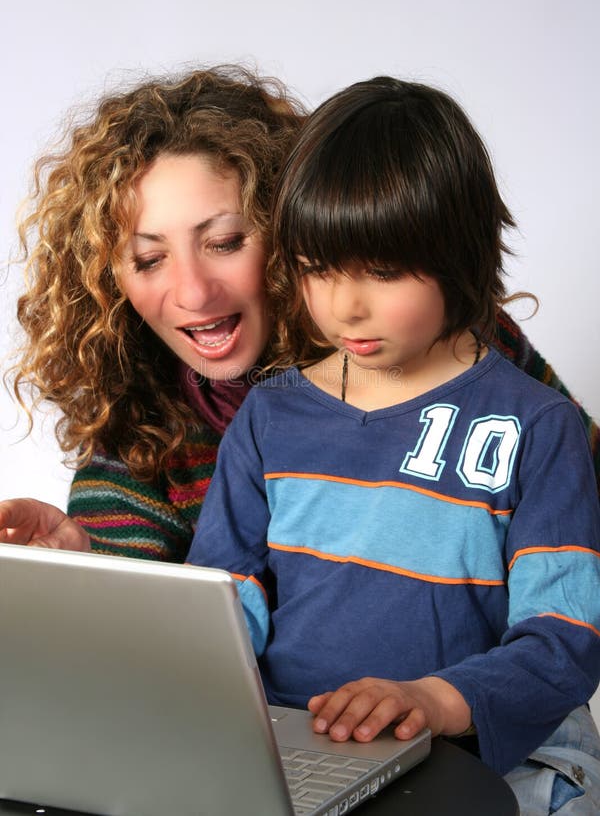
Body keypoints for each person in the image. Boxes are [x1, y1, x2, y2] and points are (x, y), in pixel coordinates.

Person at [186, 77, 600, 813]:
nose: (346, 305)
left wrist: (431, 701)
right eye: (318, 270)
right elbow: (222, 606)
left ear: (458, 252)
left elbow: (564, 639)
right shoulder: (271, 419)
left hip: (487, 755)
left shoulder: (538, 427)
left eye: (382, 272)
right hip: (302, 749)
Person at [0, 66, 598, 563]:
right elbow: (151, 644)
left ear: (289, 228)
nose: (193, 293)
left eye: (226, 243)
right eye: (149, 258)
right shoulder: (145, 434)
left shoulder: (439, 341)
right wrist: (84, 562)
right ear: (108, 279)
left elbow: (581, 488)